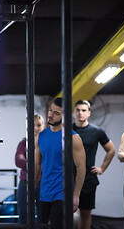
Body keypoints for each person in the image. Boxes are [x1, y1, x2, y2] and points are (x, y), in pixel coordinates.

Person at [34, 97, 86, 228]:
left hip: (62, 193)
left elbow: (81, 167)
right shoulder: (41, 136)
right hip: (44, 192)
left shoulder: (73, 138)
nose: (50, 115)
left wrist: (76, 195)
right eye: (51, 110)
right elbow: (37, 165)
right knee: (42, 226)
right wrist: (31, 189)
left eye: (56, 113)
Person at [73, 100, 115, 229]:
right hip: (70, 179)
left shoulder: (97, 131)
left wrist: (102, 168)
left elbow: (111, 150)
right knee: (67, 214)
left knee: (85, 214)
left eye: (84, 110)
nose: (81, 113)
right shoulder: (67, 130)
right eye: (78, 110)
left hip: (88, 179)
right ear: (74, 112)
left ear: (89, 113)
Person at [15, 114, 45, 224]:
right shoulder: (23, 143)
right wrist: (37, 164)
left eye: (39, 125)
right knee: (23, 218)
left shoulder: (47, 143)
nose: (36, 128)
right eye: (33, 125)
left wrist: (29, 163)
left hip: (43, 184)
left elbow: (48, 164)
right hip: (25, 183)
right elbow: (18, 160)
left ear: (44, 126)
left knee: (43, 219)